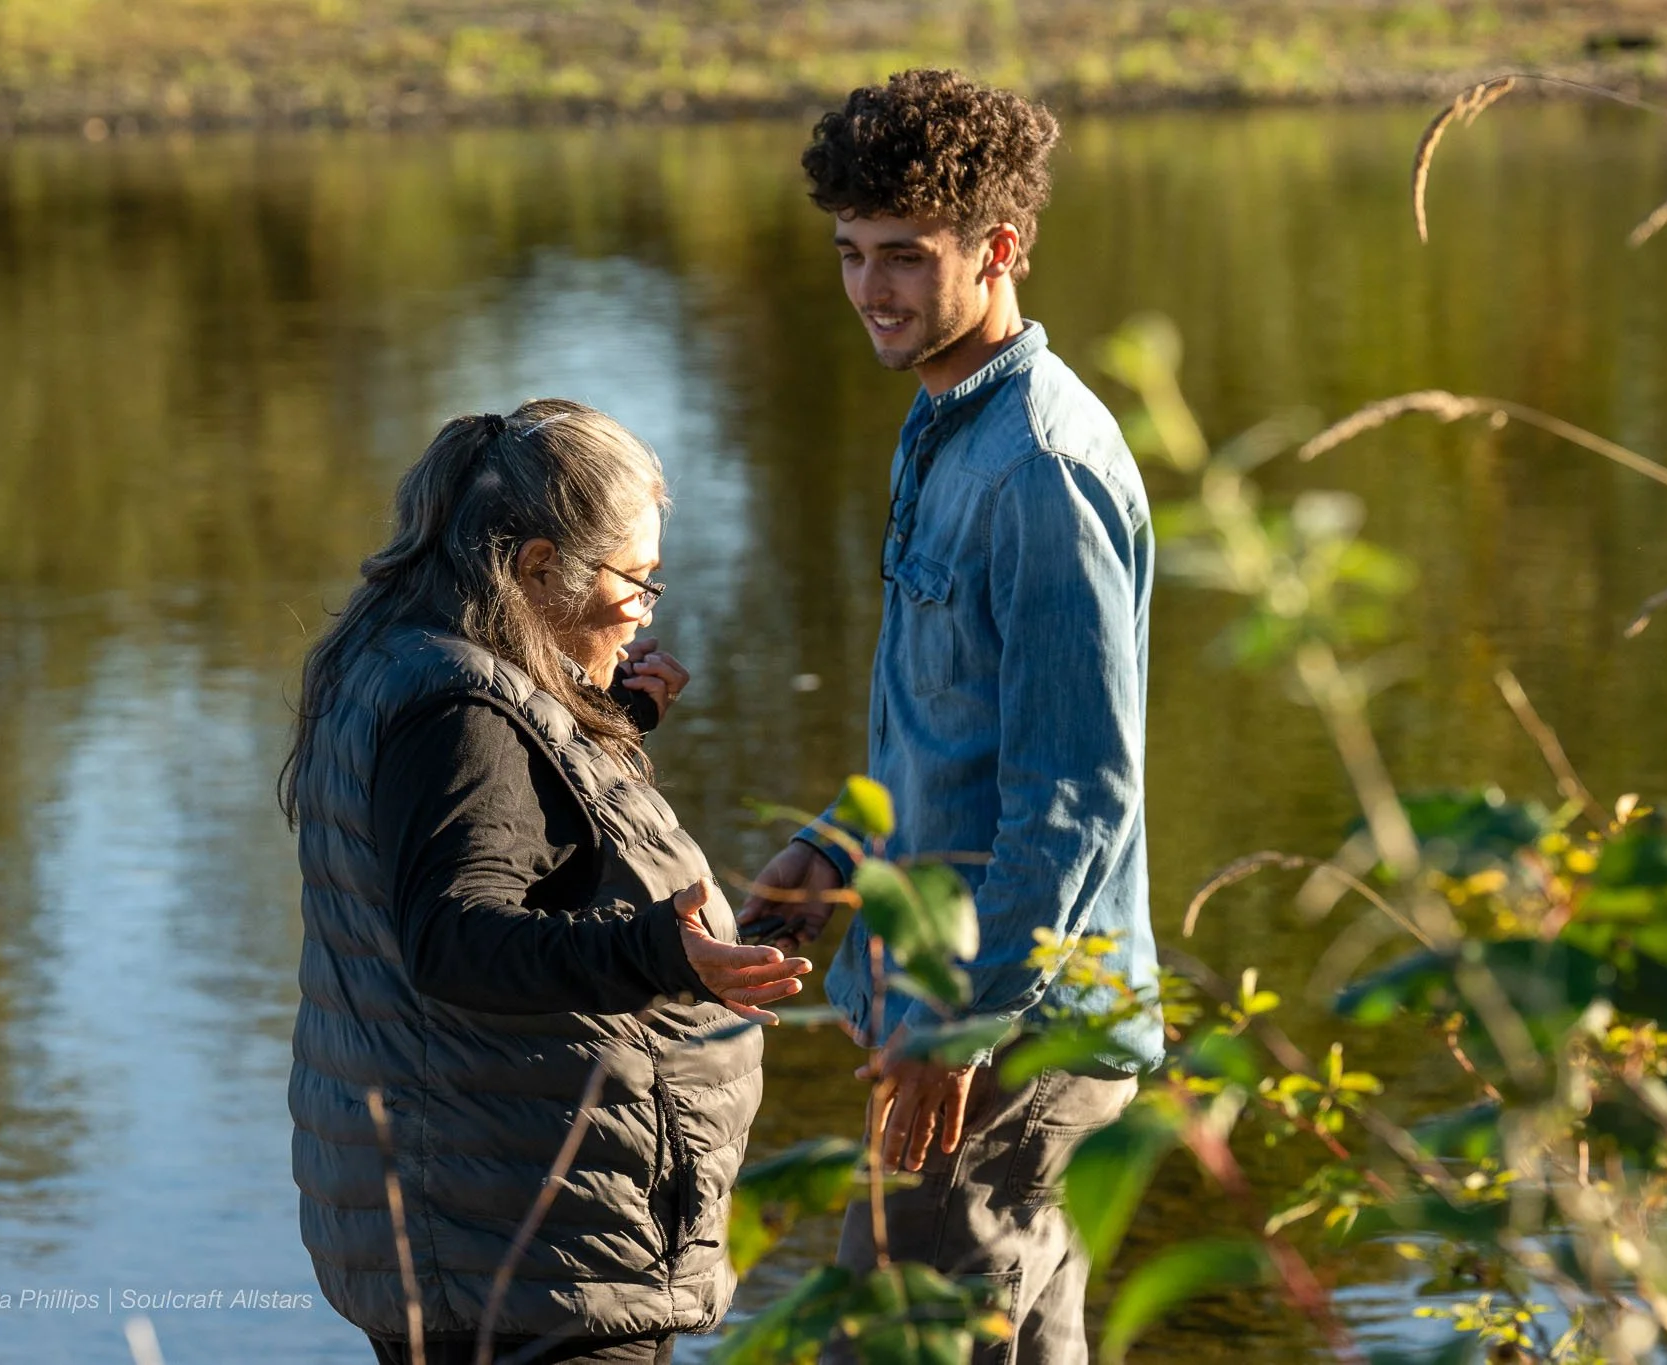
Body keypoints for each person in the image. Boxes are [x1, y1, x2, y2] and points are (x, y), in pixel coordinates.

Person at [736, 69, 1163, 1364]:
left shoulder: (1038, 468)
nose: (872, 290)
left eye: (905, 257)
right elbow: (955, 727)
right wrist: (834, 845)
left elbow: (1076, 793)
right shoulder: (942, 426)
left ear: (999, 249)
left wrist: (961, 1025)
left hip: (1010, 1033)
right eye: (850, 253)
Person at [281, 399, 812, 1365]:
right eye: (636, 581)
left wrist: (602, 725)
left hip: (490, 1226)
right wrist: (660, 952)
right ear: (535, 568)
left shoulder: (409, 659)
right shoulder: (460, 712)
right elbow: (455, 937)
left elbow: (515, 830)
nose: (646, 611)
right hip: (525, 1253)